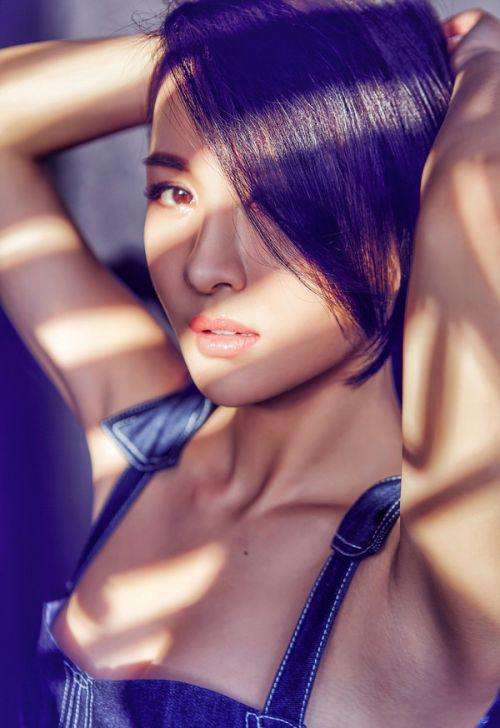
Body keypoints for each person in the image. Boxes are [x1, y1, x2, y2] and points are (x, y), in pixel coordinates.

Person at [0, 0, 498, 725]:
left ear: (410, 218)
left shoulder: (435, 570)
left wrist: (483, 68)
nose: (203, 267)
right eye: (174, 192)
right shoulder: (144, 442)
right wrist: (219, 55)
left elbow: (476, 198)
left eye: (272, 206)